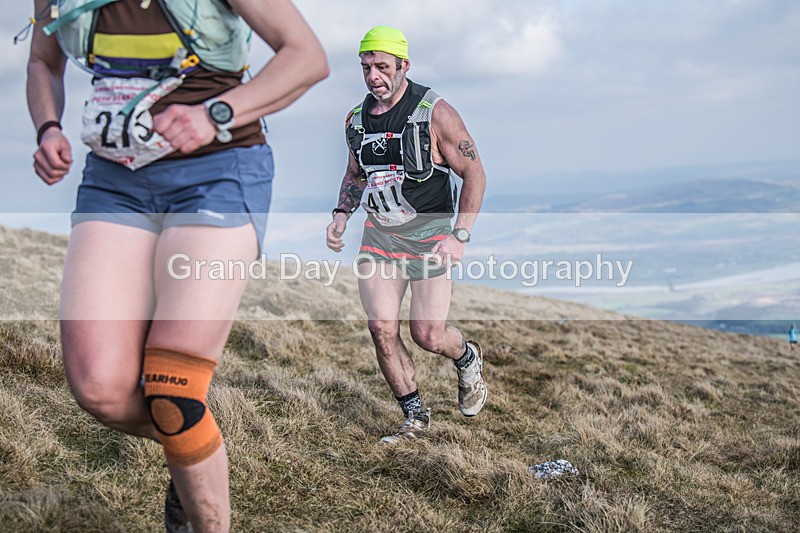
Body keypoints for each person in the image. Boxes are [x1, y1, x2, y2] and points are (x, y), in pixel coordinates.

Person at [26, 0, 327, 531]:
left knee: (173, 389)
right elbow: (43, 61)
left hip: (218, 172)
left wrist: (215, 115)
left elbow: (306, 58)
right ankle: (194, 444)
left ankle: (195, 477)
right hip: (115, 181)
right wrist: (47, 127)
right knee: (100, 387)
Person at [325, 26, 488, 444]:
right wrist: (342, 214)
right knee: (381, 327)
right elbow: (355, 174)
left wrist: (460, 235)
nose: (373, 76)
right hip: (380, 237)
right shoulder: (357, 120)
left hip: (431, 236)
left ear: (404, 66)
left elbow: (474, 172)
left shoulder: (435, 112)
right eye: (366, 68)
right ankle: (414, 417)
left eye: (382, 67)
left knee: (428, 334)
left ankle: (467, 357)